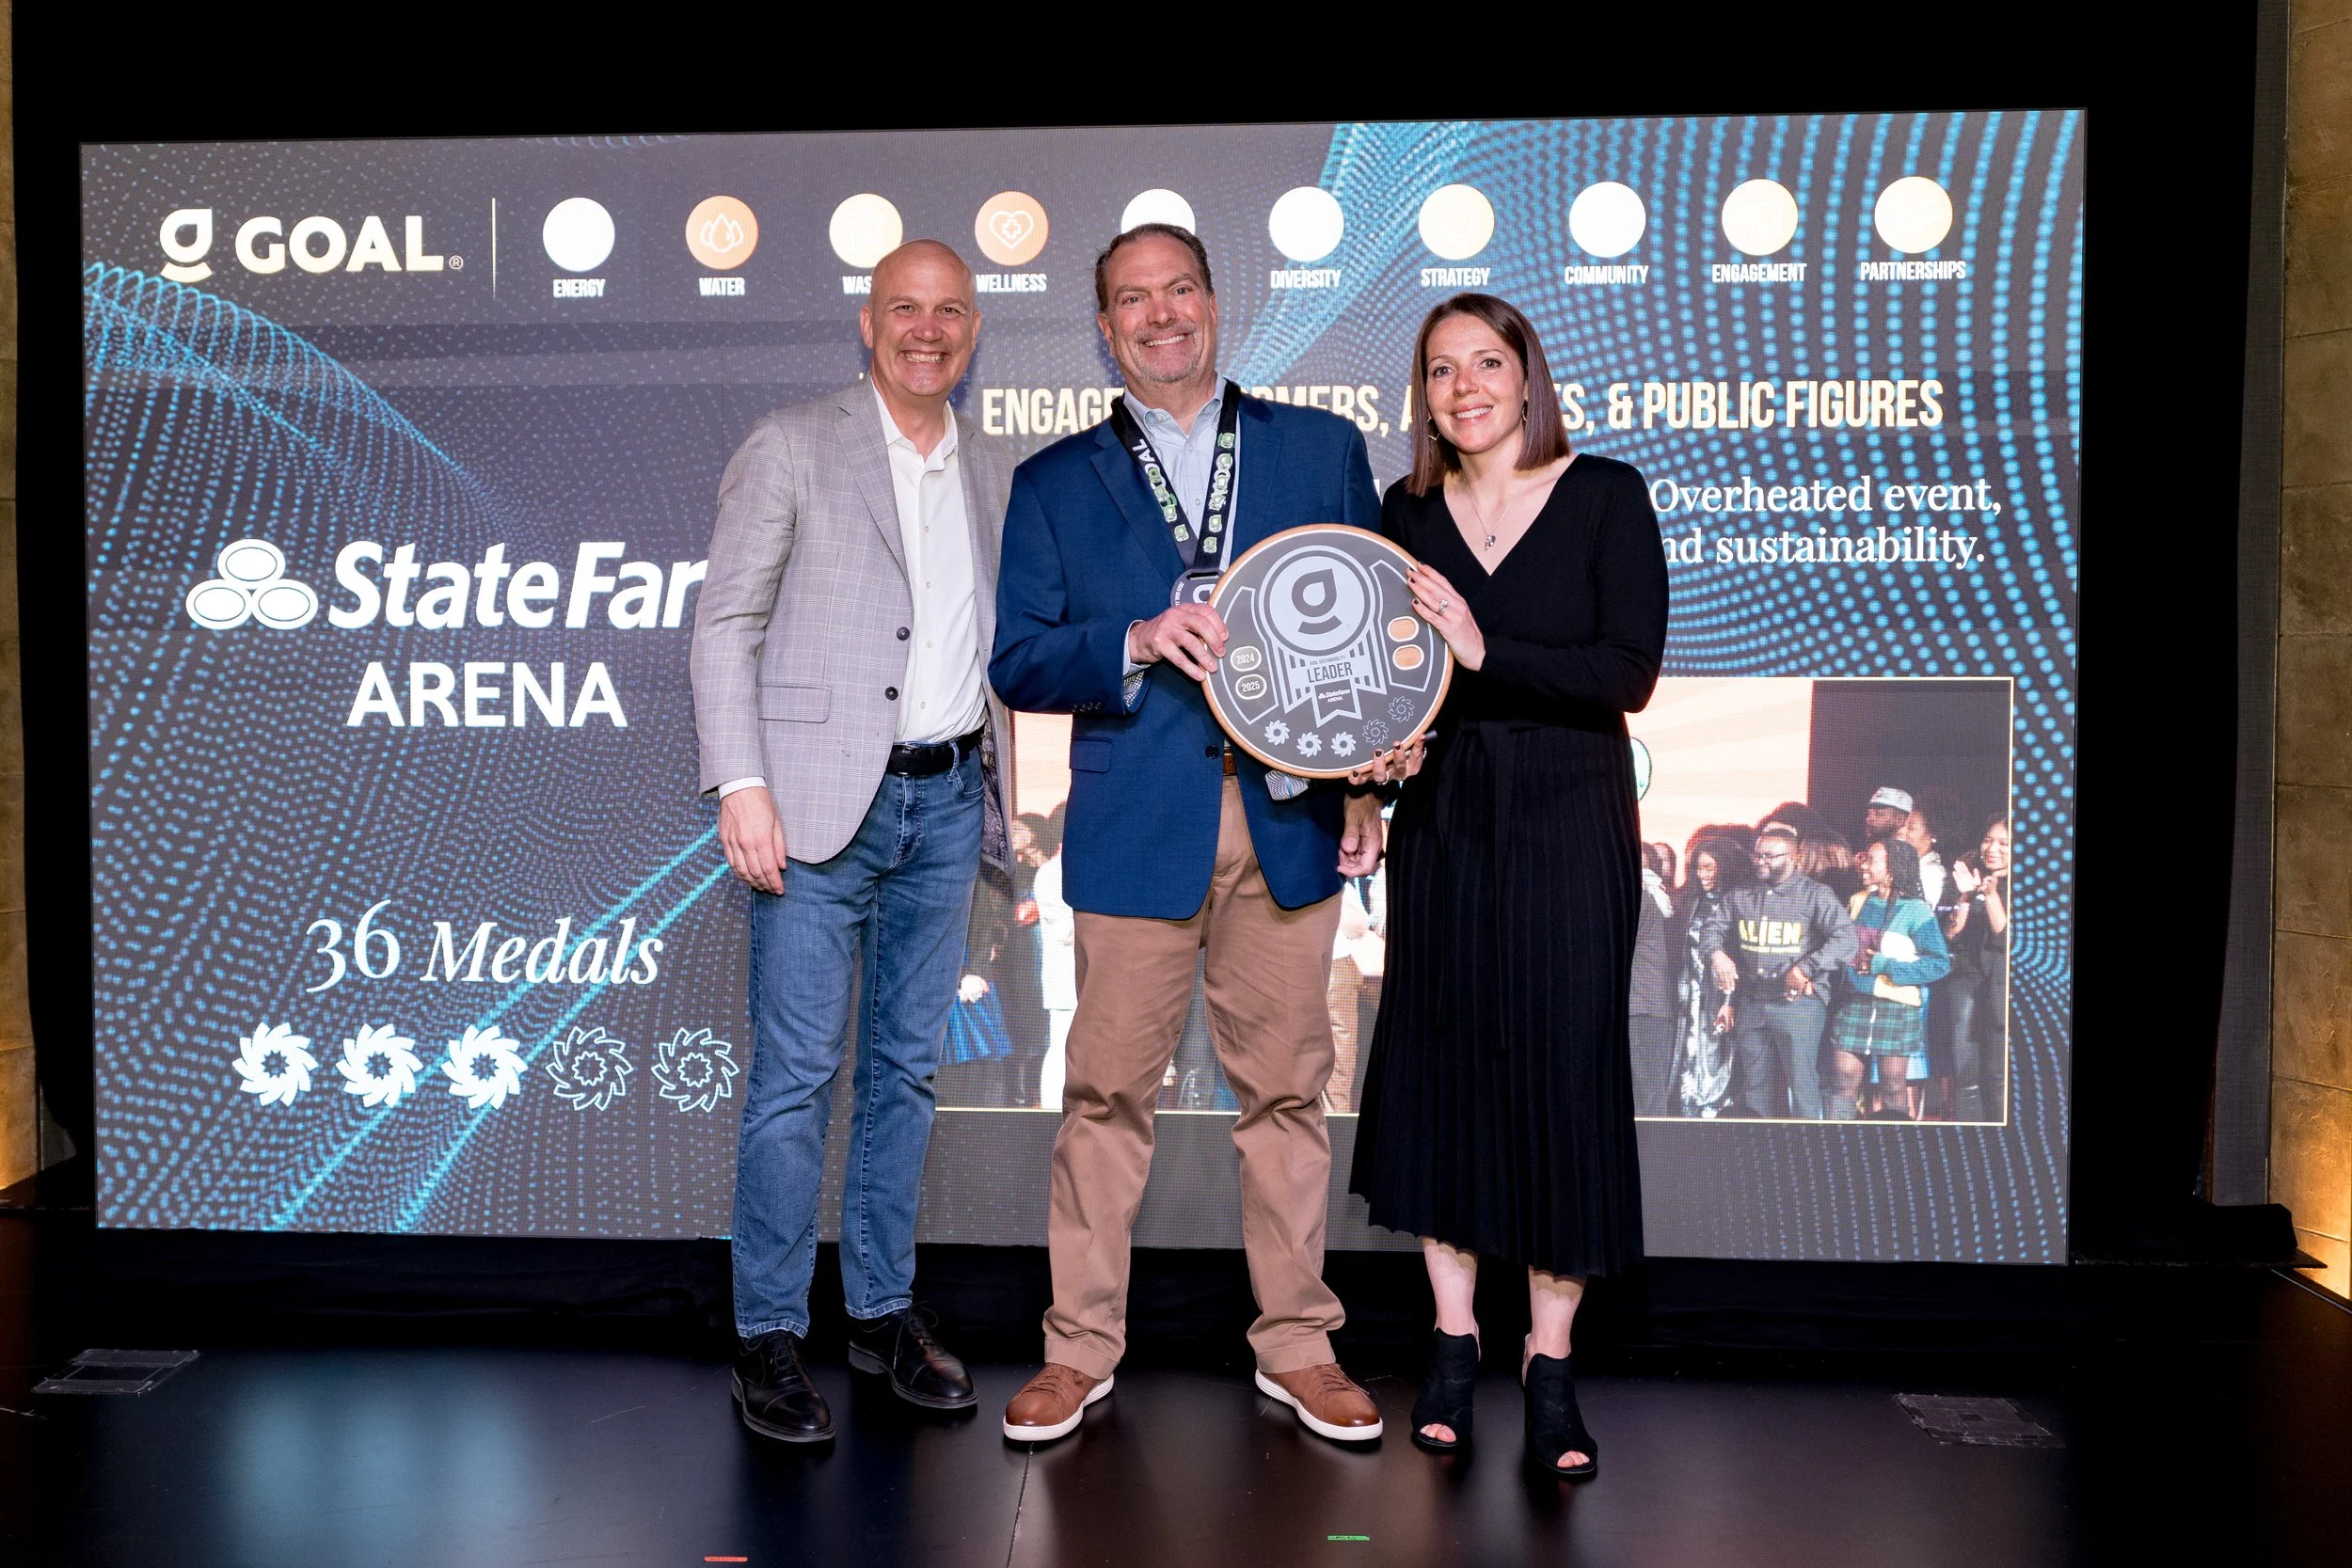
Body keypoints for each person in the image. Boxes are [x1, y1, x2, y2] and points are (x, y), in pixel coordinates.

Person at [990, 223, 1405, 1447]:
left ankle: (1299, 1346)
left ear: (1214, 305)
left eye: (1180, 289)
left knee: (1287, 1092)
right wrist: (1132, 635)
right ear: (1106, 326)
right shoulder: (1054, 481)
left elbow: (1379, 645)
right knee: (1105, 1094)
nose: (1161, 314)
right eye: (1134, 298)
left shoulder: (1319, 449)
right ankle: (1077, 1352)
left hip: (1291, 819)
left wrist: (1369, 790)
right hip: (1136, 822)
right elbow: (1018, 656)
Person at [691, 240, 1011, 1444]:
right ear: (867, 325)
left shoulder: (992, 464)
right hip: (818, 806)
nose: (926, 329)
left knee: (906, 1074)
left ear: (972, 329)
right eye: (904, 310)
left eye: (948, 312)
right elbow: (724, 624)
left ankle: (879, 1312)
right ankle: (767, 1332)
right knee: (792, 1081)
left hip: (945, 804)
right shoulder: (792, 442)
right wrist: (743, 781)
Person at [1350, 293, 1668, 1478]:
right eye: (1441, 370)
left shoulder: (1605, 494)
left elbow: (1625, 671)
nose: (1464, 386)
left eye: (1487, 363)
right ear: (1423, 394)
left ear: (1528, 376)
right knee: (1440, 1073)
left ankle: (1549, 1361)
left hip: (1568, 817)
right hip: (1447, 822)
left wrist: (1487, 651)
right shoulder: (1405, 511)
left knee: (1559, 1084)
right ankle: (1448, 1341)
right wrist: (1373, 772)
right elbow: (1397, 689)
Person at [1700, 825, 1857, 1120]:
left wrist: (1806, 968)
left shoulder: (1815, 894)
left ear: (1795, 857)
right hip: (1753, 1001)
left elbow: (1846, 939)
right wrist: (1717, 955)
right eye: (1757, 856)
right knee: (1755, 1086)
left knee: (1801, 1085)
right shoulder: (1741, 894)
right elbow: (1712, 929)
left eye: (1769, 857)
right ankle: (1762, 1156)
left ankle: (1807, 1156)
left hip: (1797, 1004)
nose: (1760, 862)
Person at [1825, 837, 1952, 1120]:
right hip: (1854, 1003)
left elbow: (1939, 964)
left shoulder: (1916, 910)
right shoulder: (1858, 901)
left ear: (1892, 869)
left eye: (1871, 860)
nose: (1864, 865)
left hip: (1897, 1007)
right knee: (1842, 1081)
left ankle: (1897, 1150)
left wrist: (1884, 965)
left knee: (1893, 1086)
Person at [1671, 831, 1753, 1117]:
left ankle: (1714, 1112)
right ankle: (1688, 1110)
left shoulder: (1735, 903)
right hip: (1688, 991)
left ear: (1724, 867)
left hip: (1721, 992)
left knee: (1717, 1053)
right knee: (1688, 1053)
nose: (1702, 873)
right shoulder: (1690, 901)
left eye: (1709, 867)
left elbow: (1739, 958)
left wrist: (1729, 999)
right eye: (1698, 867)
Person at [1942, 816, 2011, 1120]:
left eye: (2003, 843)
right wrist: (1966, 896)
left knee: (1997, 1077)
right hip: (1967, 982)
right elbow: (1949, 934)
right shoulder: (1967, 875)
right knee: (1966, 1074)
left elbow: (2008, 939)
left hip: (2001, 985)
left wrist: (1993, 895)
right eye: (1987, 840)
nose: (1992, 848)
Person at [1030, 809, 1078, 1112]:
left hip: (1094, 980)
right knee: (1062, 1046)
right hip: (1065, 980)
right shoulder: (1051, 872)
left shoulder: (1083, 868)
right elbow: (1065, 930)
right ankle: (1051, 1111)